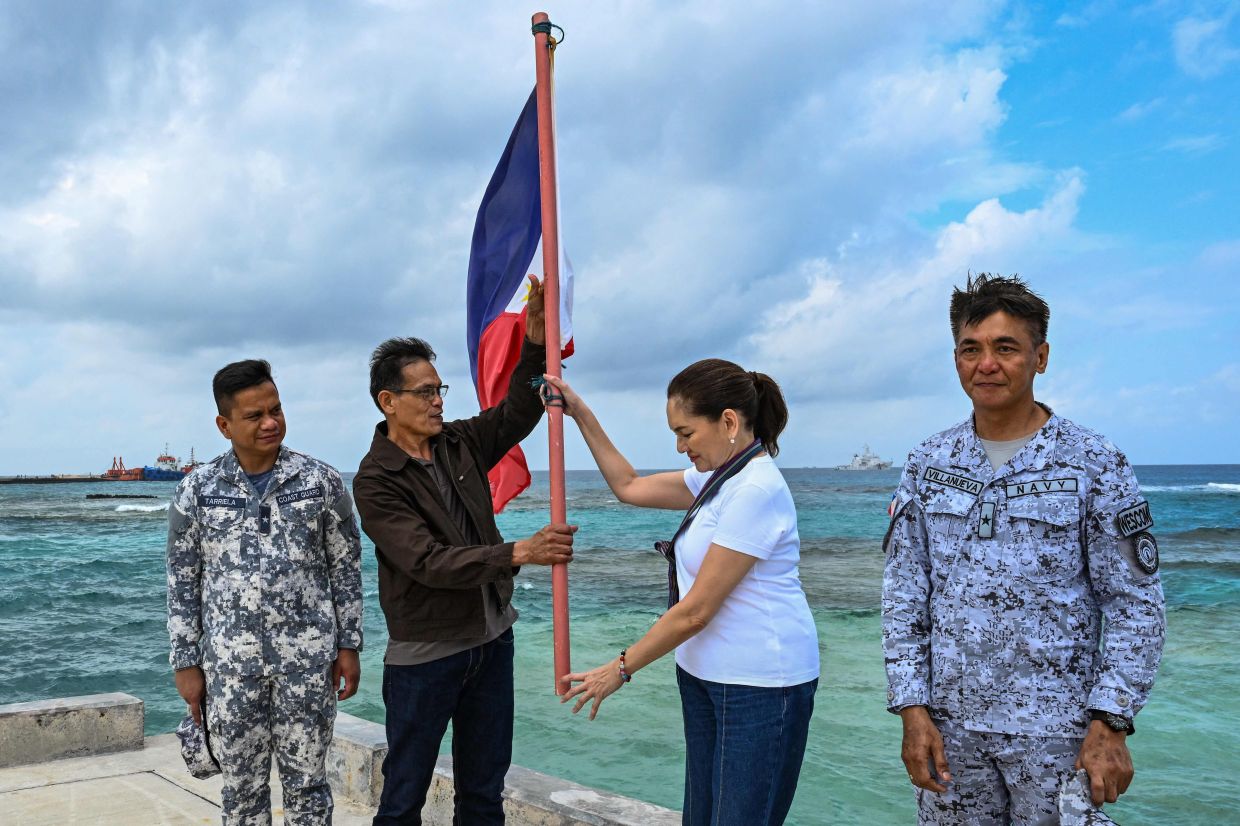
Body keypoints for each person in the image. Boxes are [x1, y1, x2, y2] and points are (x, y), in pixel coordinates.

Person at [882, 274, 1166, 824]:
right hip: (951, 734)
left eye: (1006, 347)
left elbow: (1135, 602)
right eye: (971, 349)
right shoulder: (928, 462)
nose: (986, 364)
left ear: (1041, 357)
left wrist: (1111, 720)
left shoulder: (1092, 461)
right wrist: (911, 710)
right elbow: (904, 596)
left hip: (1059, 733)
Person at [545, 359, 820, 826]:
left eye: (686, 433)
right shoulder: (719, 480)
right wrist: (581, 414)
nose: (679, 446)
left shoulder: (755, 488)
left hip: (760, 685)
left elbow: (697, 611)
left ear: (729, 422)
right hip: (704, 676)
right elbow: (629, 486)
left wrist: (620, 668)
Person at [353, 275, 576, 825]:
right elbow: (426, 562)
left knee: (483, 792)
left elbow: (517, 414)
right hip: (427, 656)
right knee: (403, 797)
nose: (436, 401)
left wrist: (536, 343)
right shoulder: (375, 481)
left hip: (492, 640)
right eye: (425, 392)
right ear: (389, 401)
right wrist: (517, 554)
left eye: (439, 390)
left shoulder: (459, 441)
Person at [166, 359, 364, 825]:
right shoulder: (197, 490)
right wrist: (185, 663)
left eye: (275, 409)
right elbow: (181, 582)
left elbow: (346, 569)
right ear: (224, 424)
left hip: (308, 665)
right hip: (229, 671)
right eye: (254, 416)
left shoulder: (321, 482)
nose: (270, 422)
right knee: (241, 792)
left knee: (308, 788)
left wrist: (349, 645)